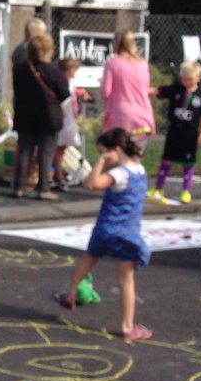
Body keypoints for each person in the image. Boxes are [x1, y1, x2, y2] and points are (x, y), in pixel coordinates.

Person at [56, 127, 153, 341]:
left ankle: (71, 292)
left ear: (115, 150)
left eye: (103, 153)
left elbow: (91, 183)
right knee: (126, 279)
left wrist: (100, 163)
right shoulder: (138, 170)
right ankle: (127, 326)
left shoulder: (118, 173)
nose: (103, 158)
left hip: (105, 228)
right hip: (125, 232)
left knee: (89, 258)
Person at [10, 31, 70, 200]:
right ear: (49, 49)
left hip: (25, 115)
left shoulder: (20, 70)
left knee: (24, 151)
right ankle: (43, 188)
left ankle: (18, 186)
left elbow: (17, 92)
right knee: (46, 152)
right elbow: (64, 94)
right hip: (49, 117)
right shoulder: (54, 70)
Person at [147, 60, 201, 204]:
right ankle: (158, 188)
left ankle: (186, 191)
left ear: (198, 78)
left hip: (190, 134)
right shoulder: (176, 89)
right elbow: (158, 91)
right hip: (174, 130)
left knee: (188, 162)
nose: (186, 82)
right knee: (166, 159)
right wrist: (140, 89)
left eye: (190, 79)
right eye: (184, 79)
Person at [101, 29, 155, 149]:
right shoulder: (143, 64)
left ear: (117, 43)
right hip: (143, 114)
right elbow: (145, 88)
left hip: (121, 115)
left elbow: (106, 92)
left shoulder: (113, 63)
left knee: (118, 152)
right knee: (135, 154)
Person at [53, 58, 92, 190]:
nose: (75, 72)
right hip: (62, 116)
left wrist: (82, 94)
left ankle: (58, 172)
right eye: (74, 69)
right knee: (59, 146)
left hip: (69, 116)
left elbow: (74, 91)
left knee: (63, 146)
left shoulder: (71, 81)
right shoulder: (60, 81)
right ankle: (58, 174)